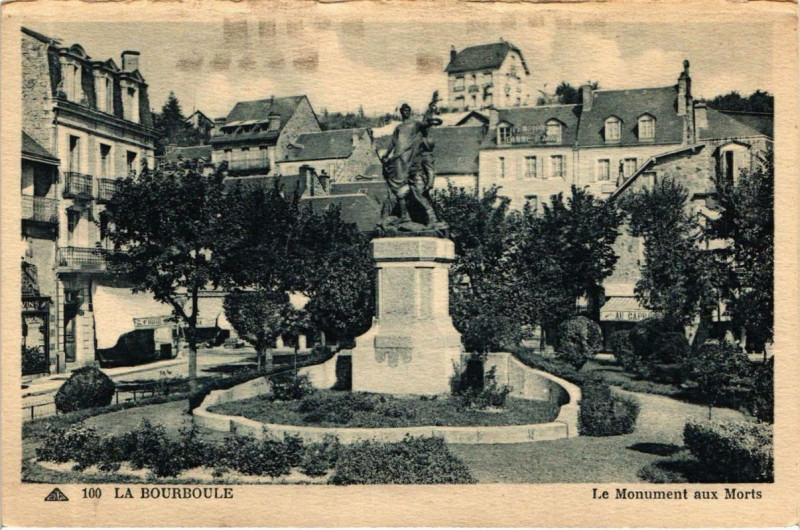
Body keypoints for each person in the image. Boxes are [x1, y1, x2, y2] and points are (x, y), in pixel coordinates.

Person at [381, 94, 443, 226]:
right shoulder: (398, 128)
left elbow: (426, 124)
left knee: (416, 192)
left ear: (410, 112)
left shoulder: (415, 123)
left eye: (407, 111)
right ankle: (405, 216)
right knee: (399, 187)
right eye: (403, 111)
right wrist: (387, 154)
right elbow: (393, 142)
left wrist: (433, 118)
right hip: (399, 156)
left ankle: (430, 218)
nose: (405, 113)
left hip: (409, 156)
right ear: (401, 113)